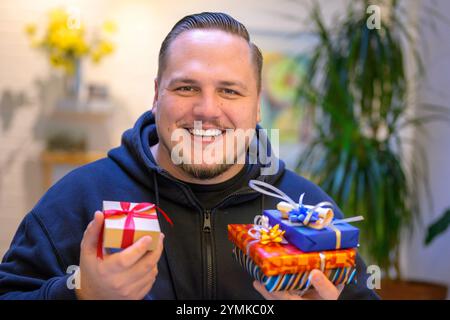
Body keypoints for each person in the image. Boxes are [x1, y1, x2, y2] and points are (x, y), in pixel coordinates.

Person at [0, 12, 378, 300]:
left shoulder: (309, 209)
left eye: (230, 91)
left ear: (257, 106)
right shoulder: (79, 198)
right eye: (185, 87)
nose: (207, 110)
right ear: (156, 95)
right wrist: (79, 292)